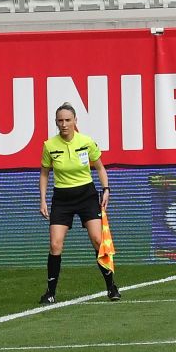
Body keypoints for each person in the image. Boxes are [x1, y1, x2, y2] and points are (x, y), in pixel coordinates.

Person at [38, 102, 120, 304]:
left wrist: (106, 189)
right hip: (62, 199)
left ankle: (111, 287)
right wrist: (43, 200)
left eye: (68, 120)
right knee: (55, 244)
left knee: (98, 241)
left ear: (75, 121)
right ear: (56, 123)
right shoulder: (49, 145)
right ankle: (50, 292)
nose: (64, 124)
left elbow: (100, 168)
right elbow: (44, 174)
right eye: (60, 120)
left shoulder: (86, 142)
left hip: (87, 197)